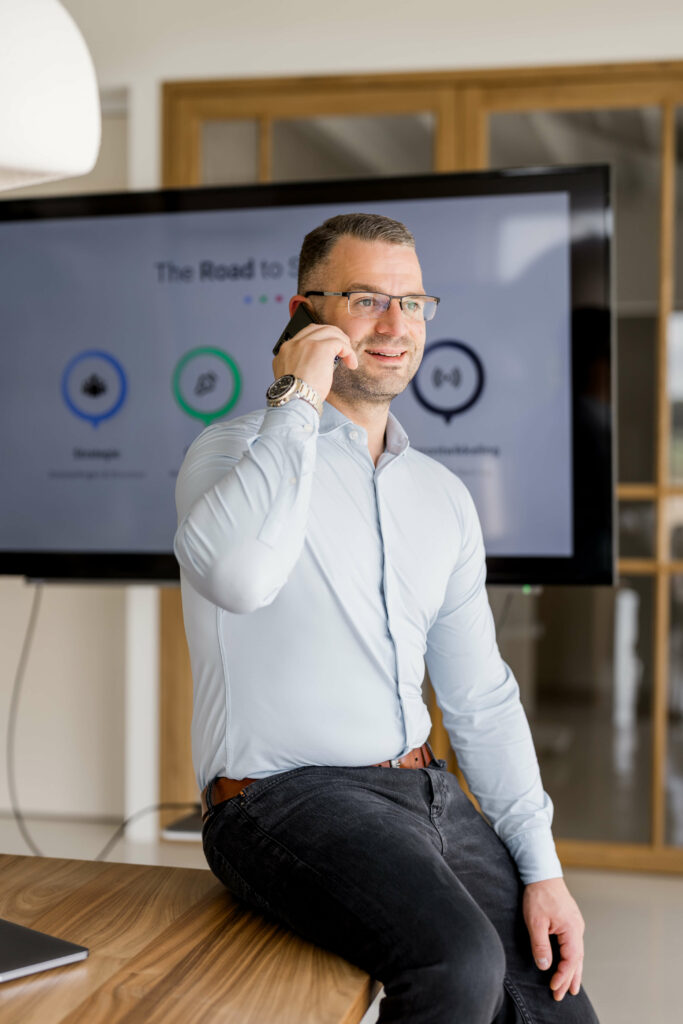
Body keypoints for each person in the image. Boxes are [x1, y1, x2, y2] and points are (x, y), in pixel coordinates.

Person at [174, 213, 599, 1024]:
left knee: (558, 1007)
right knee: (457, 961)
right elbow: (237, 577)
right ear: (306, 314)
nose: (395, 325)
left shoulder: (441, 496)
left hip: (426, 791)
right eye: (367, 299)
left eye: (412, 302)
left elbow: (480, 699)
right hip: (278, 801)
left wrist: (542, 869)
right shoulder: (230, 453)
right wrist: (296, 400)